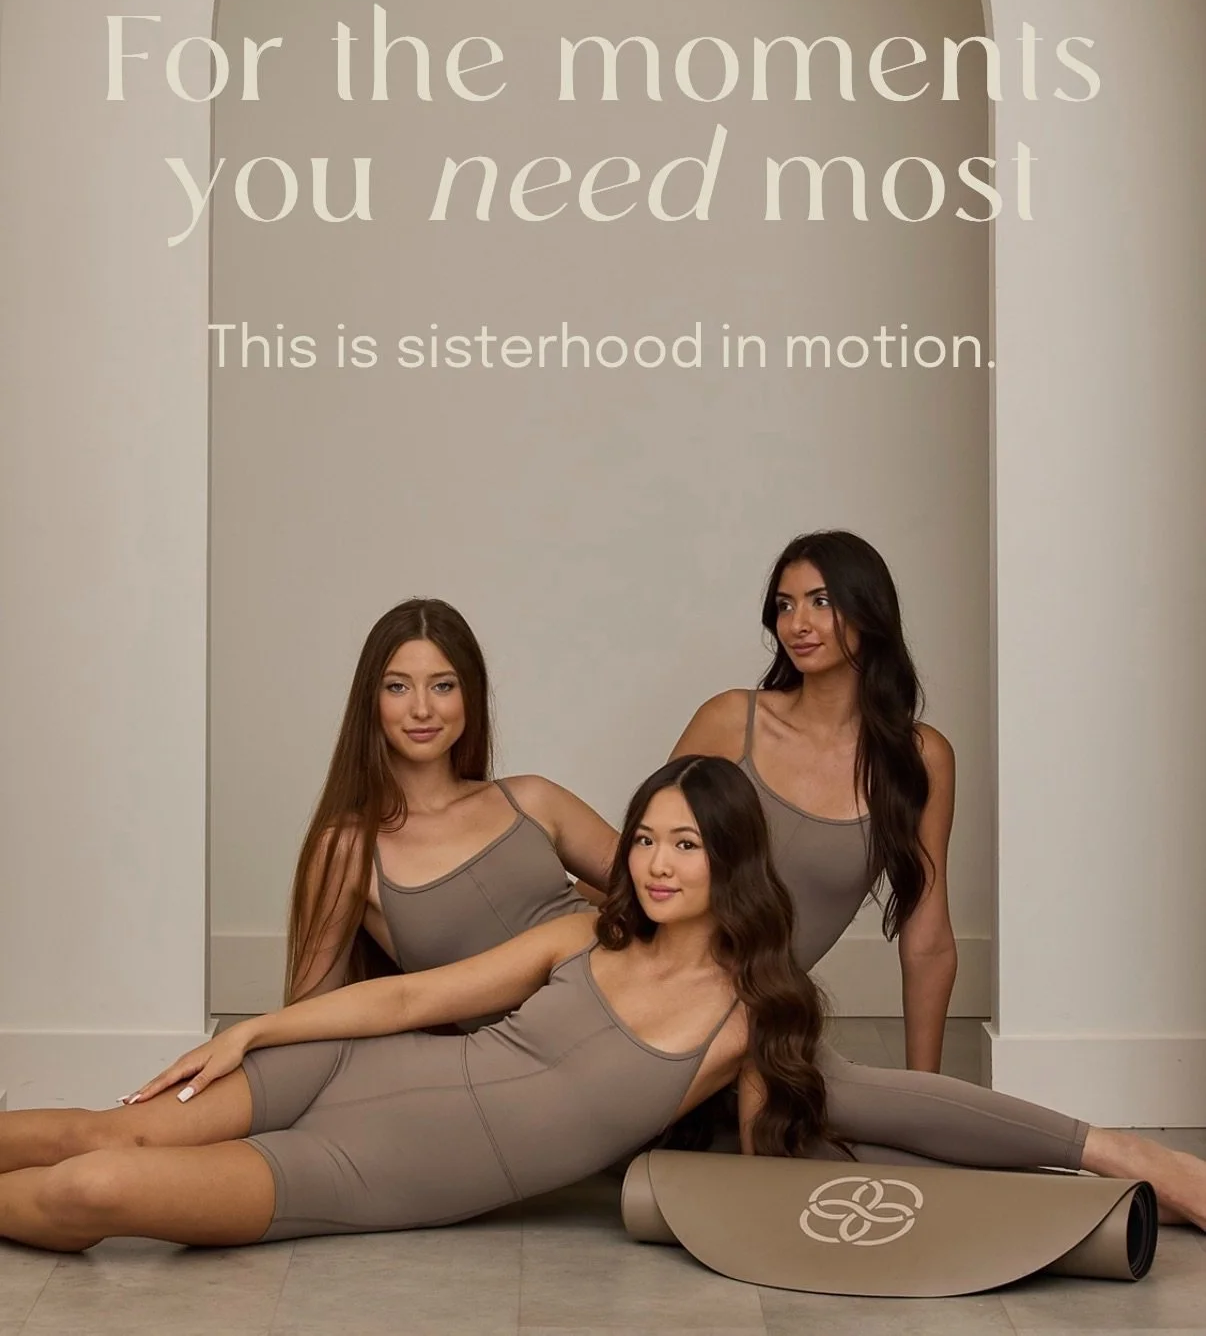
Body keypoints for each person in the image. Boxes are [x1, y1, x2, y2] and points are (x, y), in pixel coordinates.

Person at [1, 758, 1201, 1252]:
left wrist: (1107, 1147)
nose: (658, 861)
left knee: (98, 1191)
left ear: (734, 860)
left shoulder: (747, 1023)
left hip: (360, 1180)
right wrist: (260, 1026)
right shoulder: (582, 930)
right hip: (344, 1076)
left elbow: (897, 1103)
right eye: (644, 837)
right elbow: (412, 994)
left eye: (687, 842)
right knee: (90, 1129)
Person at [672, 530, 957, 1072]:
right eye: (785, 605)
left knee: (913, 1121)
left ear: (869, 612)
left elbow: (929, 940)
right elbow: (641, 856)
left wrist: (924, 1085)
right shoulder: (732, 721)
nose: (797, 624)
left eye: (821, 602)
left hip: (757, 1013)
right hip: (667, 983)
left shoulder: (921, 759)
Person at [283, 597, 617, 1005]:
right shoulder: (348, 849)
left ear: (469, 695)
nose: (422, 709)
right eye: (398, 687)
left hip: (631, 987)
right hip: (529, 1050)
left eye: (443, 685)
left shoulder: (532, 799)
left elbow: (662, 882)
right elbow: (308, 1011)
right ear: (371, 700)